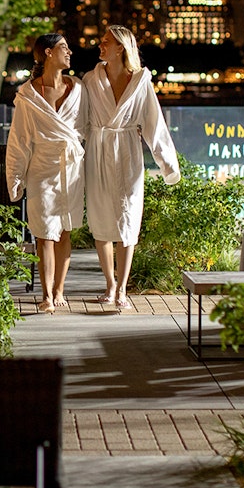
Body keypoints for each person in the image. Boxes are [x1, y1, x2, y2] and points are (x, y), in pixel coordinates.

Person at [82, 25, 180, 309]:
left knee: (128, 219)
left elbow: (153, 124)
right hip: (98, 151)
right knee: (101, 219)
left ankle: (123, 288)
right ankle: (109, 286)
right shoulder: (90, 79)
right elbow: (80, 119)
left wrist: (167, 165)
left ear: (120, 47)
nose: (100, 46)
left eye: (105, 42)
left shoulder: (140, 82)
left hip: (127, 152)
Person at [6, 33, 87, 314]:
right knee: (44, 234)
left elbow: (90, 125)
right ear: (49, 53)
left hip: (72, 169)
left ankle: (60, 290)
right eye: (65, 47)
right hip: (41, 168)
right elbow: (19, 140)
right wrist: (15, 178)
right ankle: (47, 296)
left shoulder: (77, 89)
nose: (70, 52)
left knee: (65, 231)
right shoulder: (28, 96)